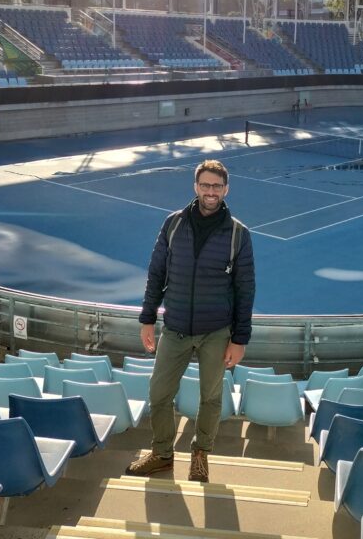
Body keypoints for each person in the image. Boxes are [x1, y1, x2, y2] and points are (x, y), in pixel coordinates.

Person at [125, 159, 255, 483]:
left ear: (226, 189)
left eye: (217, 186)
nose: (210, 191)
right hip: (176, 327)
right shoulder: (172, 225)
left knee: (210, 399)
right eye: (205, 185)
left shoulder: (239, 234)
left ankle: (200, 455)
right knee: (158, 394)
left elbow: (245, 289)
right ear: (196, 187)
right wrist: (147, 319)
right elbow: (156, 274)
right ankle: (162, 454)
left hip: (216, 332)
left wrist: (239, 339)